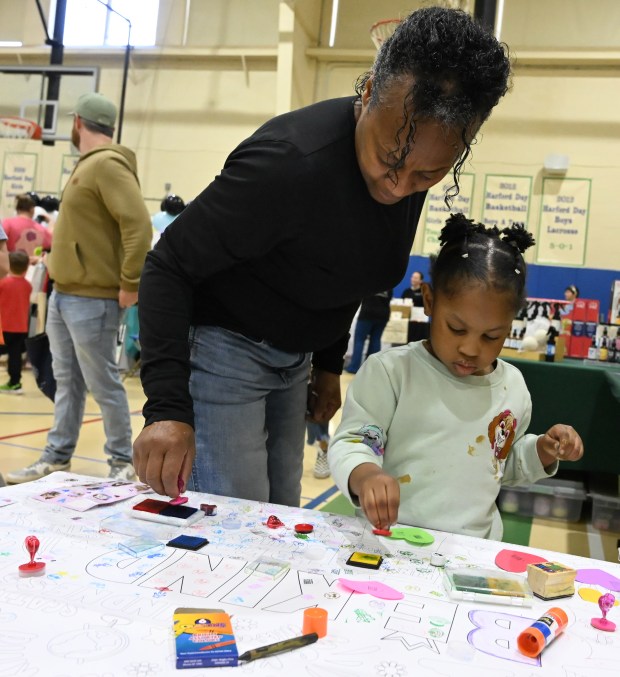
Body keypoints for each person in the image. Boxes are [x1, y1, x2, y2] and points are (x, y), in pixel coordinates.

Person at [133, 7, 512, 504]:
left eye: (427, 175)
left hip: (295, 361)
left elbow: (352, 264)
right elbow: (167, 265)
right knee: (233, 520)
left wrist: (328, 365)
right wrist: (167, 409)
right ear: (370, 90)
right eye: (387, 160)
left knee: (281, 514)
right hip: (224, 349)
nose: (397, 186)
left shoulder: (413, 156)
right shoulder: (288, 164)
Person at [328, 215, 584, 539]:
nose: (470, 348)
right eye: (457, 328)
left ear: (510, 326)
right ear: (430, 301)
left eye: (491, 337)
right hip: (391, 541)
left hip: (473, 550)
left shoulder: (513, 388)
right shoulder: (391, 373)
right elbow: (352, 442)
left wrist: (543, 450)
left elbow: (500, 465)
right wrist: (364, 475)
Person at [6, 92, 152, 484]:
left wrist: (130, 284)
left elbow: (138, 225)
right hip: (65, 294)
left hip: (92, 298)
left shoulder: (107, 166)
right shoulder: (89, 166)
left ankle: (122, 461)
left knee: (103, 381)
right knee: (68, 380)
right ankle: (57, 455)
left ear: (77, 123)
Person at [0, 252, 32, 394]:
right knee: (15, 356)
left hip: (3, 326)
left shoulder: (3, 283)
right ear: (26, 268)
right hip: (20, 328)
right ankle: (15, 383)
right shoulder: (28, 285)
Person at [345, 290, 392, 374]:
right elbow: (389, 298)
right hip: (383, 313)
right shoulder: (388, 282)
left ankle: (354, 367)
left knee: (359, 340)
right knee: (376, 340)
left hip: (368, 312)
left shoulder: (370, 279)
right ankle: (372, 368)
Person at [2, 193, 53, 258]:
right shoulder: (40, 229)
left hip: (9, 265)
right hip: (31, 266)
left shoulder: (6, 223)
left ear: (17, 209)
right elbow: (50, 243)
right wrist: (51, 223)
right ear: (32, 210)